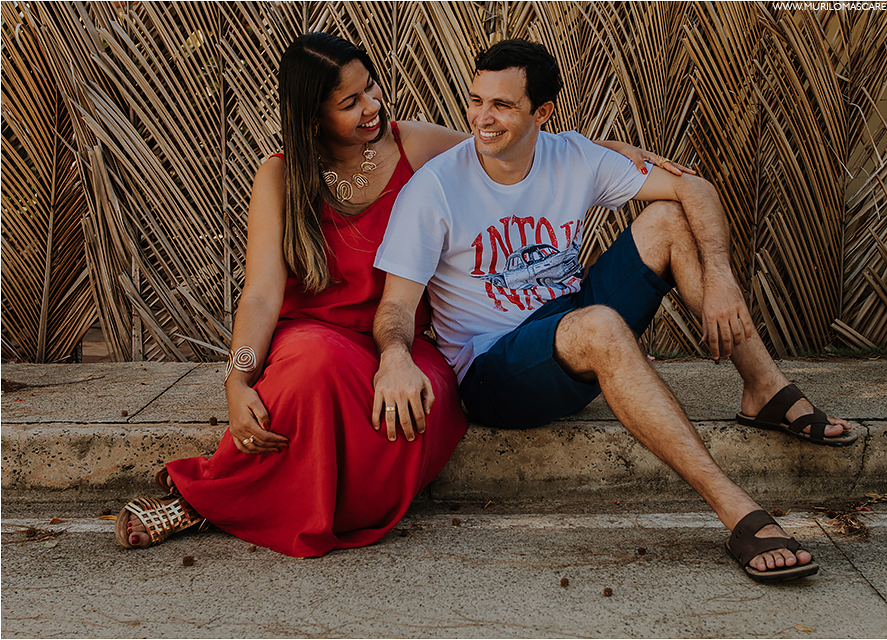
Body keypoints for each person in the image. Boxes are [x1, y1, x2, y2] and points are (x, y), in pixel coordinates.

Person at [114, 32, 682, 558]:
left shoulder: (413, 143)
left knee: (425, 402)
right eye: (350, 102)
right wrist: (237, 379)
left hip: (401, 338)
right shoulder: (280, 177)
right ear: (312, 117)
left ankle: (320, 501)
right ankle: (204, 497)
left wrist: (601, 149)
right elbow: (261, 295)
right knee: (312, 366)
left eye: (372, 87)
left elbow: (510, 146)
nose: (372, 106)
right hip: (311, 341)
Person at [372, 39, 856, 582]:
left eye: (502, 105)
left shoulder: (573, 156)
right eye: (476, 100)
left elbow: (694, 188)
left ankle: (763, 387)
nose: (482, 118)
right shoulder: (435, 189)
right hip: (493, 369)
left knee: (668, 219)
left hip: (571, 325)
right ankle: (737, 511)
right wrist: (395, 357)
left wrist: (720, 276)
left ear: (542, 113)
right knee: (600, 325)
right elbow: (396, 306)